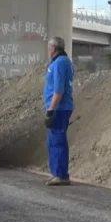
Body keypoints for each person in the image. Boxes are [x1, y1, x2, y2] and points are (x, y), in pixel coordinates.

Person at [43, 36, 74, 186]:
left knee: (58, 141)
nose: (48, 50)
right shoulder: (60, 62)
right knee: (53, 141)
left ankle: (61, 174)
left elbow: (59, 90)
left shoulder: (60, 63)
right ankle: (56, 173)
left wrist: (50, 110)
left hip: (59, 108)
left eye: (49, 48)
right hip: (58, 107)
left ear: (53, 48)